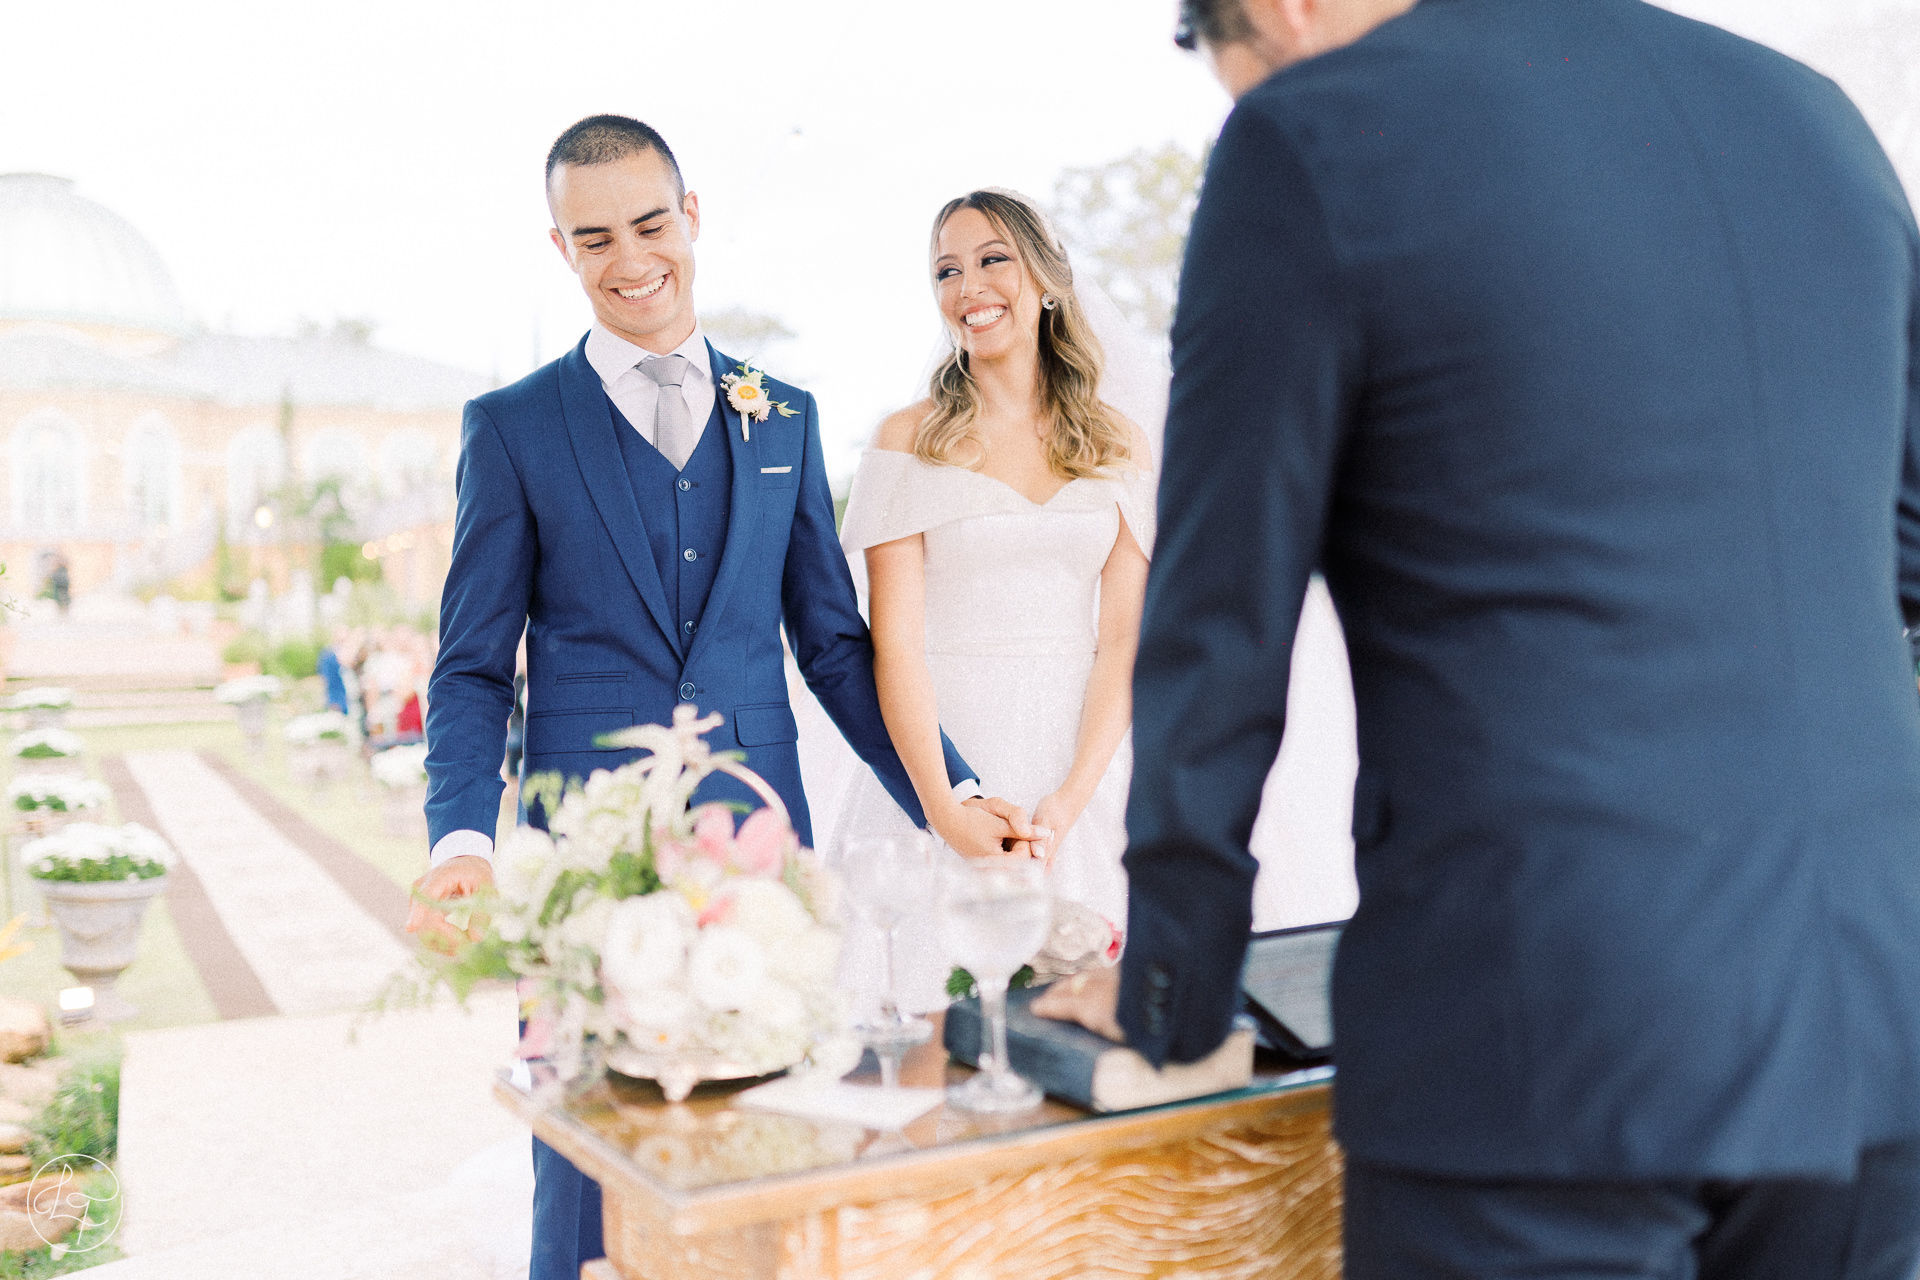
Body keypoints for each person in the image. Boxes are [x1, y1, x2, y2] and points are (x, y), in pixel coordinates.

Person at [1039, 0, 1920, 1275]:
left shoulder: (1311, 137)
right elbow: (1905, 548)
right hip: (1874, 1001)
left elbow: (1222, 620)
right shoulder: (1809, 115)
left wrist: (1169, 982)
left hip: (1545, 1027)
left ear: (1276, 11)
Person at [407, 115, 1034, 1280]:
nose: (631, 257)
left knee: (767, 1131)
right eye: (596, 237)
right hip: (586, 863)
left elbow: (837, 648)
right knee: (588, 1144)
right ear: (562, 248)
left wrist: (958, 787)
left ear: (691, 218)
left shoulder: (781, 411)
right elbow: (473, 663)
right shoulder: (512, 426)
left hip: (762, 849)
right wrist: (462, 836)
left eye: (651, 223)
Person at [834, 190, 1154, 1006]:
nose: (967, 286)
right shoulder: (907, 439)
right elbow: (892, 641)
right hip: (947, 758)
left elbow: (1121, 640)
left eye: (991, 259)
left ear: (1045, 279)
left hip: (1077, 764)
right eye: (946, 269)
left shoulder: (1117, 441)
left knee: (1081, 1024)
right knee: (923, 1022)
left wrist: (1074, 796)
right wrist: (944, 809)